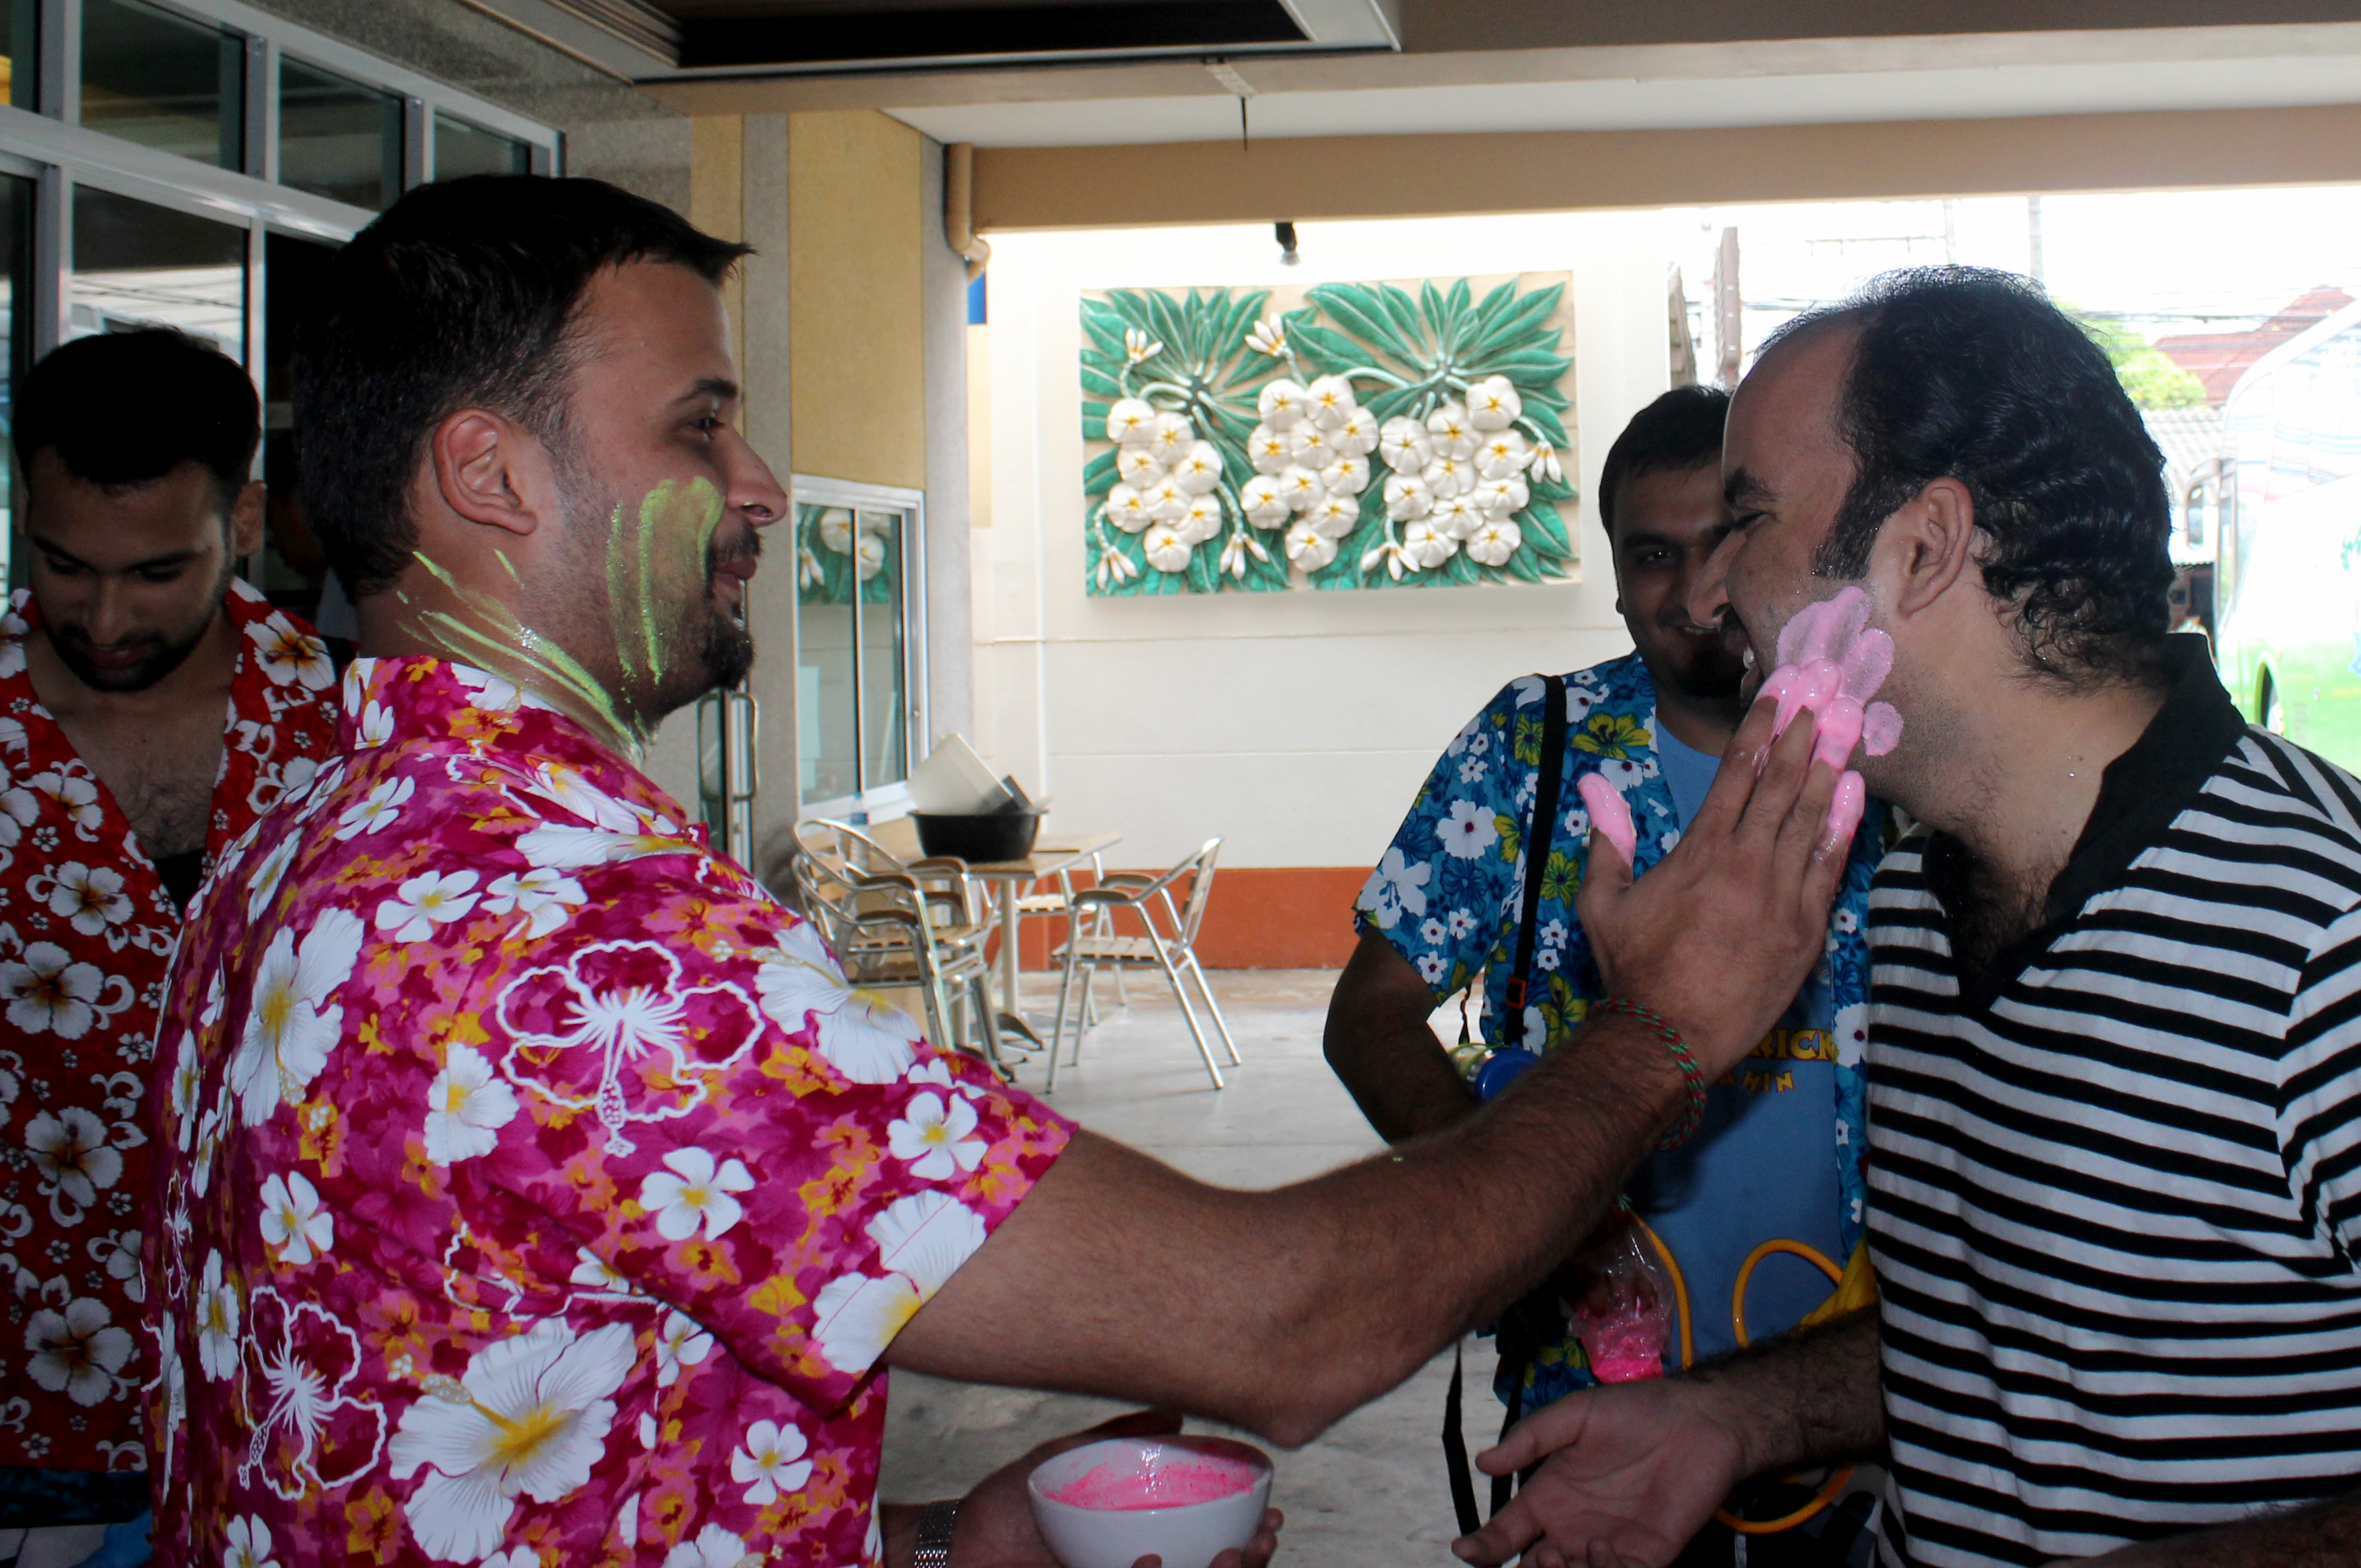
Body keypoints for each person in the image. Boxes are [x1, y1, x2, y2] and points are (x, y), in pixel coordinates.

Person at [140, 175, 1863, 1568]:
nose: (763, 481)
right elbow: (1286, 1322)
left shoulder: (298, 847)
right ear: (487, 472)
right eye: (700, 425)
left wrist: (930, 1539)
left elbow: (474, 1470)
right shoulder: (578, 943)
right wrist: (1660, 1035)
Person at [1456, 267, 2361, 1568]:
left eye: (1748, 521)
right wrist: (1733, 1417)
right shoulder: (1910, 900)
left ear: (1924, 546)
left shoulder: (2325, 939)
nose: (1711, 598)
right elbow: (1992, 1332)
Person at [1328, 386, 1887, 1556]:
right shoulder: (1531, 747)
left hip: (1872, 1402)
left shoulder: (1885, 759)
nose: (1694, 598)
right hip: (1596, 1409)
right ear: (1618, 573)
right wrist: (1510, 1199)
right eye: (1651, 556)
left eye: (1724, 546)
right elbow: (1370, 1019)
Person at [0, 330, 341, 1565]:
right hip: (25, 1418)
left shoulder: (358, 729)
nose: (101, 616)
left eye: (154, 571)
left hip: (289, 1407)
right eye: (61, 564)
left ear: (242, 518)